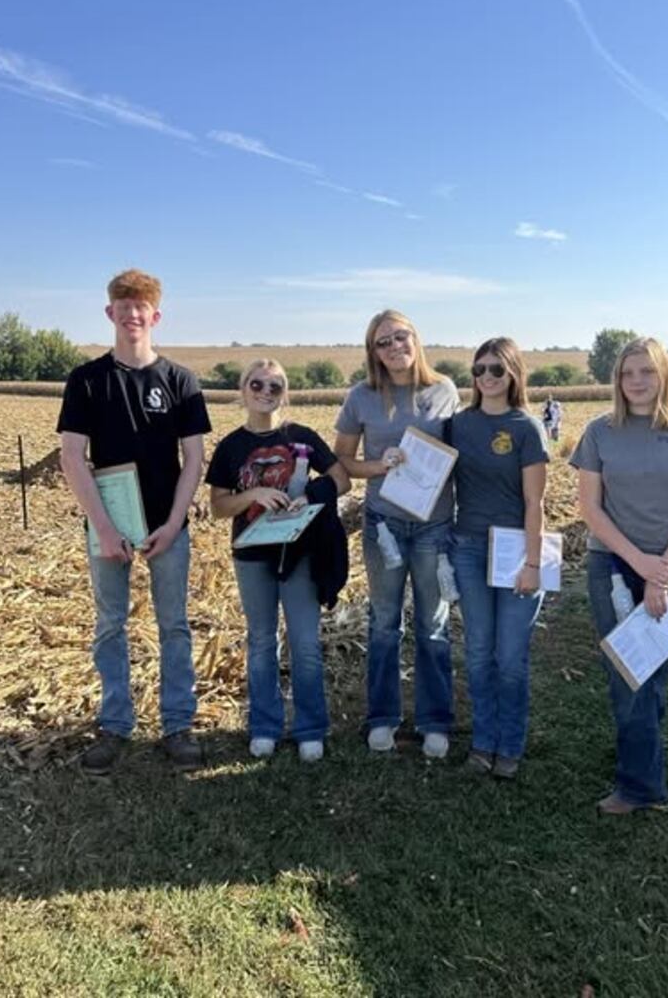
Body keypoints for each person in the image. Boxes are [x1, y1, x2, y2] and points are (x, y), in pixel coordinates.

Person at [58, 269, 211, 776]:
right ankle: (115, 726)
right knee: (110, 626)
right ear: (110, 314)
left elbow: (193, 460)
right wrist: (103, 528)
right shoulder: (86, 380)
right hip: (108, 525)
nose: (132, 315)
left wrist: (174, 523)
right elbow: (73, 458)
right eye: (123, 307)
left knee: (174, 626)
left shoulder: (179, 381)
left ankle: (177, 725)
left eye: (141, 307)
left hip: (169, 527)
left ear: (155, 315)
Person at [570, 337, 668, 814]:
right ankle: (641, 759)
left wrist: (663, 574)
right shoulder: (599, 432)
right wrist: (640, 564)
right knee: (628, 669)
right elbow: (590, 510)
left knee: (649, 671)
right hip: (612, 567)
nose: (635, 381)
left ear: (664, 376)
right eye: (626, 373)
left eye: (646, 372)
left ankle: (640, 783)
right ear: (617, 380)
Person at [206, 359, 350, 762]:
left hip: (301, 553)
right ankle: (265, 726)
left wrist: (312, 495)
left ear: (284, 393)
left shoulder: (301, 436)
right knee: (261, 642)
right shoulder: (231, 446)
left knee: (304, 643)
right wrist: (252, 497)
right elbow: (218, 506)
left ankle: (310, 728)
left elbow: (342, 479)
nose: (266, 391)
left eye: (275, 385)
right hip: (251, 556)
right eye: (257, 383)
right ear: (243, 388)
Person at [334, 310, 460, 758]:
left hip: (435, 526)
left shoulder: (444, 390)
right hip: (384, 525)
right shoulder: (361, 397)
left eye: (399, 337)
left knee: (433, 626)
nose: (393, 347)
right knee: (385, 624)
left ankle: (434, 720)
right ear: (373, 352)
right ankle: (383, 718)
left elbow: (458, 452)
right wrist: (379, 465)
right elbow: (344, 462)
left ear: (415, 338)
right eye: (382, 342)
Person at [448, 338, 549, 779]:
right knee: (477, 653)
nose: (486, 377)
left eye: (496, 370)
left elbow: (535, 503)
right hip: (468, 548)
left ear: (513, 375)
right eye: (479, 369)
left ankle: (510, 744)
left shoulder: (526, 427)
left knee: (510, 658)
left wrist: (532, 562)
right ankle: (482, 741)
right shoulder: (457, 425)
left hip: (514, 552)